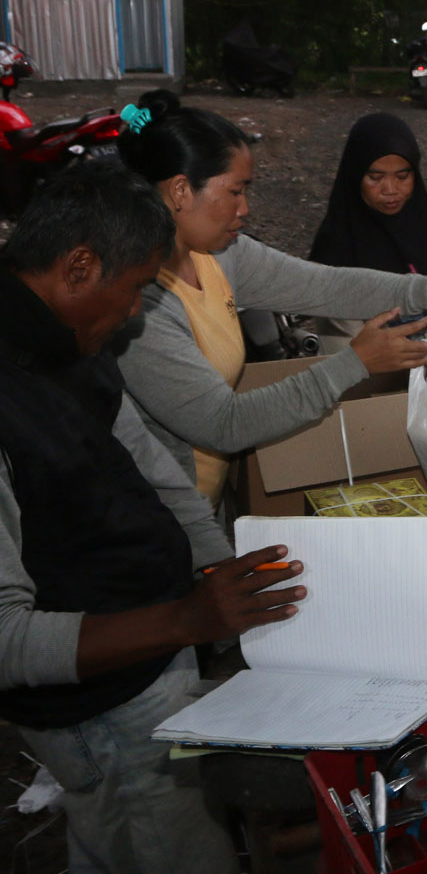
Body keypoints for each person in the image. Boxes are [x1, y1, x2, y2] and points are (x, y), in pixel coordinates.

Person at [0, 161, 306, 874]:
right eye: (137, 286)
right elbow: (6, 638)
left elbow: (148, 466)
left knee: (134, 842)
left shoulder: (70, 335)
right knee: (167, 846)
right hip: (100, 705)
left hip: (153, 646)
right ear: (80, 267)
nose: (138, 311)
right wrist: (185, 620)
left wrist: (216, 566)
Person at [114, 90, 427, 505]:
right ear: (180, 190)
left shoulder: (221, 255)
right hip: (159, 513)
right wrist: (354, 363)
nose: (245, 208)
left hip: (206, 503)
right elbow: (224, 423)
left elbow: (326, 286)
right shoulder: (138, 303)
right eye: (235, 191)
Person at [309, 111, 427, 345]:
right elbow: (340, 341)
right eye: (376, 178)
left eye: (403, 176)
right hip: (368, 365)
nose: (390, 189)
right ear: (354, 176)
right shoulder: (335, 246)